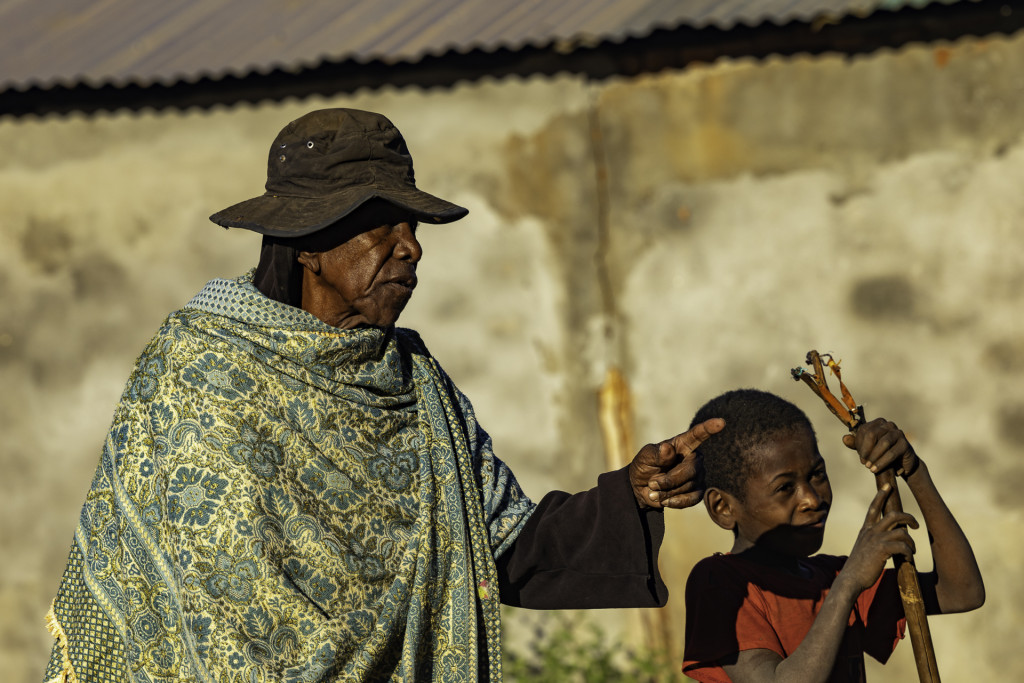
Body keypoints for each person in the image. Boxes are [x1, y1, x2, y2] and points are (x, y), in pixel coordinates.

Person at [42, 108, 724, 683]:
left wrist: (632, 495)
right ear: (308, 243)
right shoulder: (199, 374)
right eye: (381, 223)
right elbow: (209, 608)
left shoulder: (416, 384)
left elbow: (501, 543)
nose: (410, 248)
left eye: (412, 227)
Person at [680, 389, 984, 682]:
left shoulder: (831, 576)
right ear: (723, 507)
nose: (812, 499)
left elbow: (962, 591)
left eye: (817, 475)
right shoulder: (721, 583)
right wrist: (848, 584)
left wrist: (914, 471)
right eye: (785, 488)